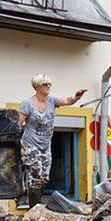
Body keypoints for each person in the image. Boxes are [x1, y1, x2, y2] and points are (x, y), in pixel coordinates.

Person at [18, 74, 86, 207]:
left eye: (50, 84)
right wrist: (18, 145)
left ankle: (36, 205)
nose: (48, 86)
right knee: (35, 177)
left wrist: (75, 97)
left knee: (44, 177)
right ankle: (34, 209)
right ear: (37, 87)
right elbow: (18, 123)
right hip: (31, 145)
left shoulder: (52, 100)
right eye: (45, 84)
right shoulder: (28, 103)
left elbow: (67, 101)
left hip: (45, 145)